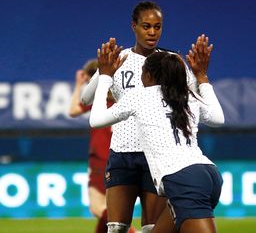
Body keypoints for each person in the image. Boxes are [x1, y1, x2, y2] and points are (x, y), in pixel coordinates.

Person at [81, 1, 197, 233]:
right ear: (134, 26)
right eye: (146, 26)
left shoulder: (171, 62)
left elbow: (192, 95)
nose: (152, 32)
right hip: (122, 153)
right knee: (115, 228)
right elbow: (86, 99)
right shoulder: (119, 59)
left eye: (157, 26)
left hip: (156, 155)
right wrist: (104, 74)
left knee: (151, 229)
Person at [89, 34, 224, 233]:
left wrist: (105, 77)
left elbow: (96, 119)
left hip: (184, 180)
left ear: (150, 75)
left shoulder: (140, 96)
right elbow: (217, 119)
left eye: (142, 72)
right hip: (207, 174)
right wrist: (202, 77)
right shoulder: (185, 96)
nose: (139, 77)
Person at [69, 59, 130, 233]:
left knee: (98, 208)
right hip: (122, 159)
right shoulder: (123, 98)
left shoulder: (98, 100)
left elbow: (73, 110)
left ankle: (132, 232)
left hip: (101, 160)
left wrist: (78, 85)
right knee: (109, 208)